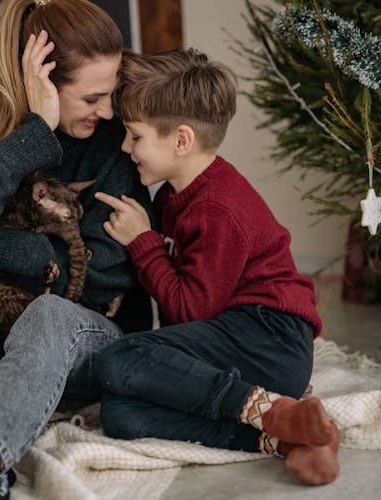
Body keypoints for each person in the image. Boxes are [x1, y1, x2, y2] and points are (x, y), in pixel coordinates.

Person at [0, 1, 153, 498]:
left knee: (50, 312)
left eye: (110, 95)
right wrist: (35, 134)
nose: (107, 112)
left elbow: (91, 274)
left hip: (88, 344)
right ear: (37, 85)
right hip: (3, 365)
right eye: (91, 99)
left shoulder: (112, 145)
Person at [92, 48, 340, 486]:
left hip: (269, 337)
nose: (124, 147)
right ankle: (282, 438)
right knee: (120, 413)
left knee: (119, 358)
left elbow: (190, 313)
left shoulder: (218, 207)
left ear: (181, 140)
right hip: (237, 343)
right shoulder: (173, 195)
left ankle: (272, 410)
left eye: (134, 136)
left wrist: (142, 242)